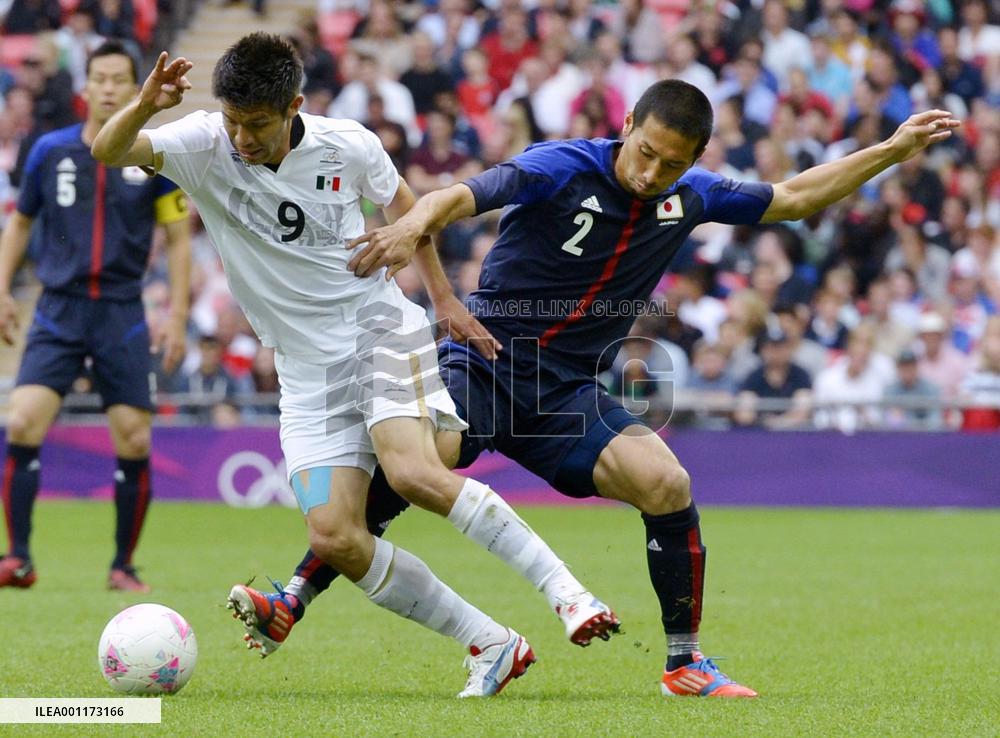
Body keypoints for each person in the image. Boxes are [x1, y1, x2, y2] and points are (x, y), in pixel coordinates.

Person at [233, 78, 960, 699]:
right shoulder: (561, 165)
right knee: (418, 462)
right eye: (644, 153)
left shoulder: (692, 196)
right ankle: (294, 596)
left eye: (670, 164)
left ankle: (685, 664)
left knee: (665, 481)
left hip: (566, 394)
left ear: (694, 160)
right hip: (484, 358)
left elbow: (795, 197)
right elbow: (467, 193)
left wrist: (893, 150)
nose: (650, 174)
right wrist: (416, 218)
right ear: (626, 128)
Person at [91, 33, 619, 699]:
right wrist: (143, 107)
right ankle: (491, 643)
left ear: (294, 107)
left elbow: (406, 208)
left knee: (413, 471)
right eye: (233, 121)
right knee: (335, 534)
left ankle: (568, 593)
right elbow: (107, 150)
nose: (242, 139)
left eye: (256, 125)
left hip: (376, 332)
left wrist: (445, 297)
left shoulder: (348, 144)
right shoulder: (201, 142)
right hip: (305, 372)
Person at [0, 40, 191, 592]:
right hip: (57, 308)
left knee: (133, 438)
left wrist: (176, 315)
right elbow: (19, 224)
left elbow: (178, 240)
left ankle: (122, 566)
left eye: (118, 80)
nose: (108, 88)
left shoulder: (154, 155)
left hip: (120, 309)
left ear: (135, 89)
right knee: (21, 421)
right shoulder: (49, 152)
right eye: (99, 78)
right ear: (85, 87)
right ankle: (18, 558)